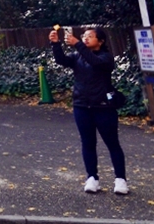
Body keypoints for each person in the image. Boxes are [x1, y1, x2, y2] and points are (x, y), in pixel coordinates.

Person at [51, 26, 129, 195]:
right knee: (88, 143)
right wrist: (56, 44)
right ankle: (92, 178)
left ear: (100, 41)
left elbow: (95, 62)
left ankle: (120, 179)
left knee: (112, 143)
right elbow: (61, 60)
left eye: (90, 36)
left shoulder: (106, 58)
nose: (85, 39)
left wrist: (78, 44)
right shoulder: (78, 56)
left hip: (103, 107)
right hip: (81, 106)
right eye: (84, 36)